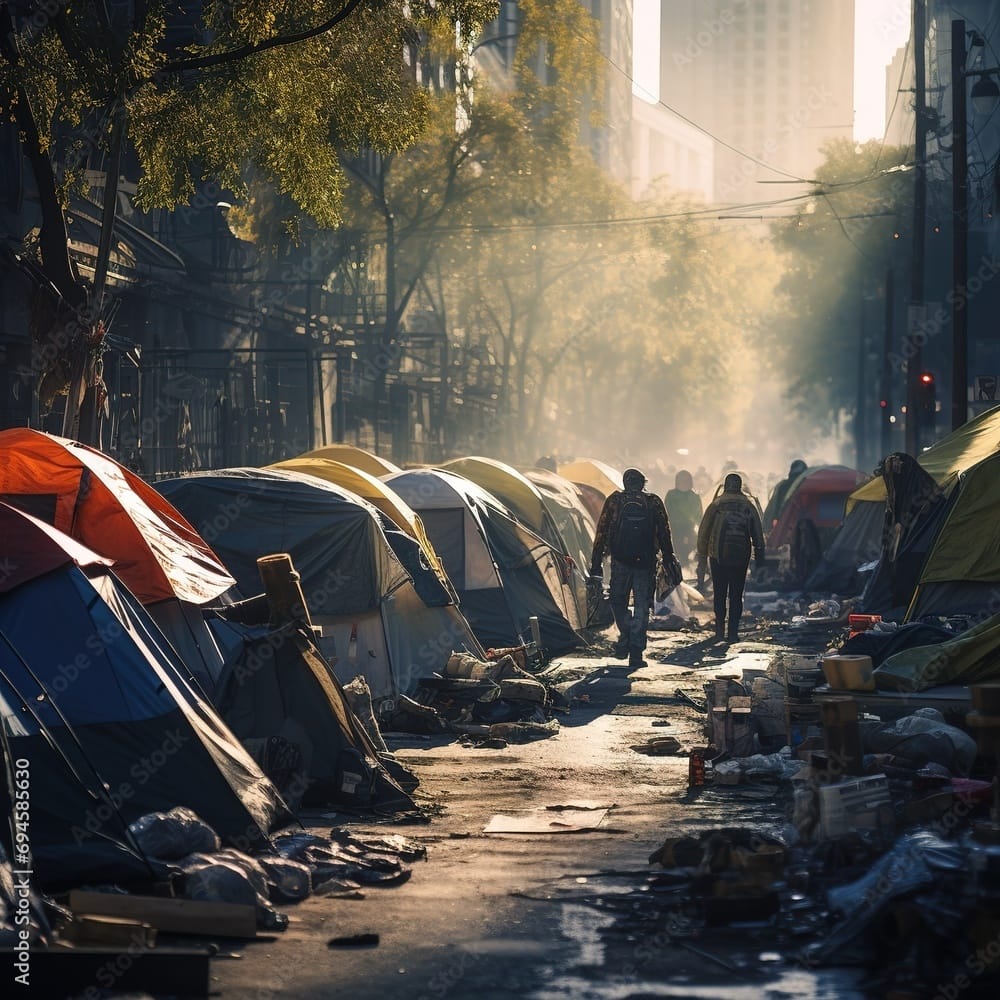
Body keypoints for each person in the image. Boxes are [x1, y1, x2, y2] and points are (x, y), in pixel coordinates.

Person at [590, 468, 675, 668]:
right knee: (642, 606)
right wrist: (669, 557)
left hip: (620, 562)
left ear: (625, 482)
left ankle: (626, 633)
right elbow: (664, 532)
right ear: (643, 482)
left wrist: (596, 563)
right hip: (646, 563)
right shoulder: (653, 501)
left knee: (617, 602)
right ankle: (636, 651)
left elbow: (601, 532)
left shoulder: (614, 501)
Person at [696, 473, 765, 643]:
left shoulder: (716, 504)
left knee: (719, 593)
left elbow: (703, 533)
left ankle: (719, 631)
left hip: (717, 555)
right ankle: (733, 633)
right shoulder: (748, 505)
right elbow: (758, 535)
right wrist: (760, 559)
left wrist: (702, 558)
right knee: (736, 595)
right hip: (741, 557)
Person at [664, 469, 702, 568]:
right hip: (674, 528)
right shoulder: (671, 495)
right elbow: (666, 511)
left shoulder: (694, 496)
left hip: (689, 529)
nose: (684, 483)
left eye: (686, 481)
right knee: (676, 549)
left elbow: (699, 514)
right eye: (682, 481)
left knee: (686, 550)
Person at [762, 458, 807, 530]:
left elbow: (776, 506)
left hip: (785, 523)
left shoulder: (783, 485)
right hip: (792, 523)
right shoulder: (805, 485)